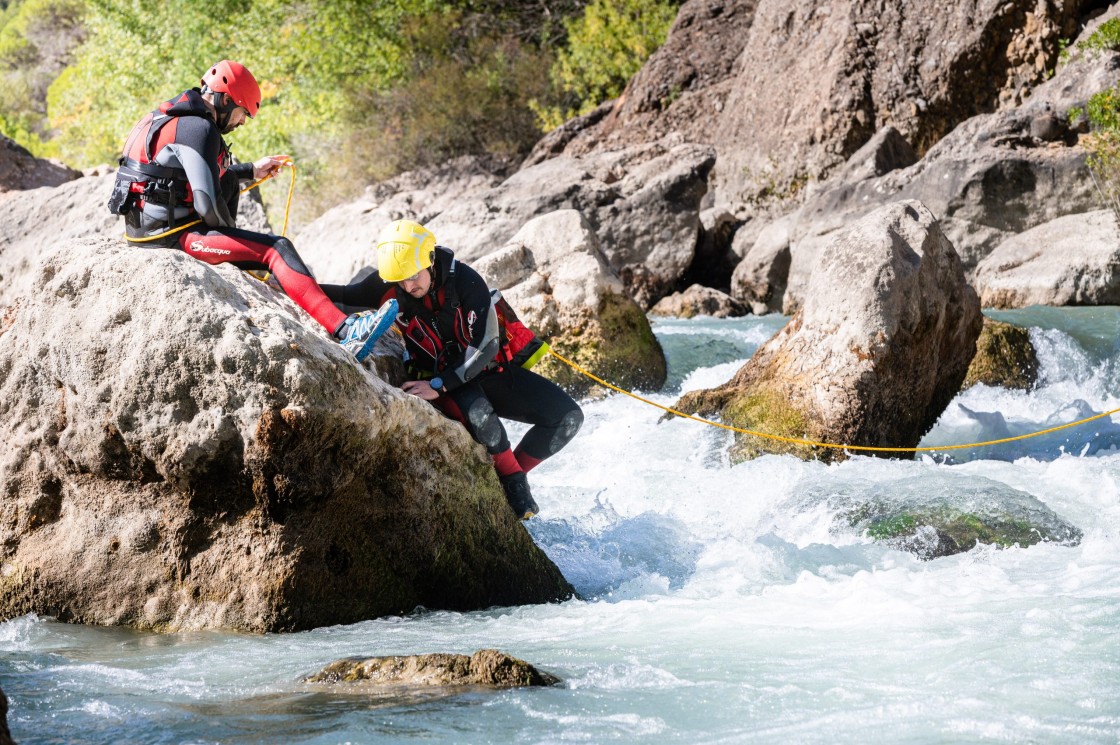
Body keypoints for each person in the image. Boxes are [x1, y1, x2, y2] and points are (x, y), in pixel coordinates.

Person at [107, 59, 394, 360]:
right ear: (227, 99)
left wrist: (251, 171)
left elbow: (194, 175)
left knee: (232, 188)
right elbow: (206, 204)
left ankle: (340, 305)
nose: (242, 122)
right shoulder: (200, 129)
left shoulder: (171, 118)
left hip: (147, 233)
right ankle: (347, 331)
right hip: (171, 239)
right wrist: (236, 244)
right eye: (243, 113)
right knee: (276, 250)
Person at [322, 219, 584, 519]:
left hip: (475, 371)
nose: (409, 286)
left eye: (414, 276)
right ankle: (514, 486)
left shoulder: (467, 282)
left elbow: (485, 347)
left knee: (568, 417)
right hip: (433, 378)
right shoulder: (390, 286)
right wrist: (278, 280)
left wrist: (440, 385)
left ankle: (506, 481)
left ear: (430, 261)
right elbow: (342, 294)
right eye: (401, 280)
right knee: (482, 415)